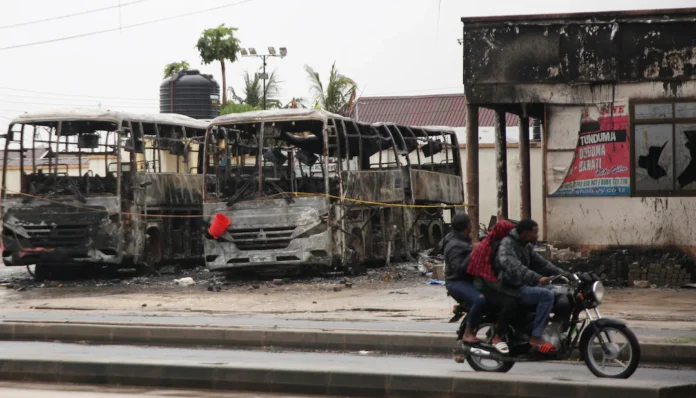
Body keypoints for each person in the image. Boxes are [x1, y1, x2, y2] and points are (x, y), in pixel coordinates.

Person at [495, 218, 569, 353]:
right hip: (512, 287)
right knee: (546, 295)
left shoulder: (525, 245)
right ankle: (535, 337)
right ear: (524, 233)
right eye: (534, 233)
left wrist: (566, 275)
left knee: (561, 291)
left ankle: (555, 329)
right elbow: (514, 267)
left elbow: (542, 264)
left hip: (525, 285)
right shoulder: (507, 244)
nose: (537, 236)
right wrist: (537, 278)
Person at [467, 220, 519, 355]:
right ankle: (497, 336)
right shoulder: (487, 247)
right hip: (484, 286)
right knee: (510, 303)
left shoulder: (500, 245)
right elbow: (484, 275)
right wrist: (505, 289)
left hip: (492, 283)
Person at [443, 213, 486, 344]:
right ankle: (468, 333)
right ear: (468, 227)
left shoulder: (461, 239)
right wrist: (473, 254)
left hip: (467, 279)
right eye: (471, 224)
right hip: (456, 282)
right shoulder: (454, 245)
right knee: (480, 300)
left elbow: (470, 246)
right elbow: (458, 269)